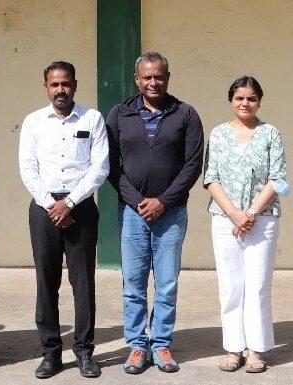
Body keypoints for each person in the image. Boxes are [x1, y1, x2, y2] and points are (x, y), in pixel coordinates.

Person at [105, 51, 204, 374]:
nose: (153, 82)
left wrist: (163, 200)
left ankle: (160, 343)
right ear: (137, 79)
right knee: (133, 283)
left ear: (168, 77)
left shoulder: (185, 114)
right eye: (147, 77)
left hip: (171, 213)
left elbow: (192, 165)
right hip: (132, 213)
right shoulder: (120, 114)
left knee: (166, 283)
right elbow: (110, 166)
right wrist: (137, 201)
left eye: (158, 76)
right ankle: (136, 345)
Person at [18, 61, 109, 379]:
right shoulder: (33, 122)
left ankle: (84, 352)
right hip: (44, 210)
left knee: (83, 283)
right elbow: (28, 167)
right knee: (47, 282)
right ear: (46, 87)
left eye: (66, 84)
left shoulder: (92, 118)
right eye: (54, 84)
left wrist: (69, 203)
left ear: (75, 85)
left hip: (81, 208)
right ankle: (50, 353)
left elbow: (99, 168)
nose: (61, 90)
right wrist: (51, 205)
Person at [203, 76, 289, 374]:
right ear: (231, 100)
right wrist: (234, 215)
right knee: (230, 286)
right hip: (224, 218)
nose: (245, 103)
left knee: (257, 286)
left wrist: (250, 213)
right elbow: (211, 178)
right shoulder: (218, 134)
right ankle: (232, 348)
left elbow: (277, 179)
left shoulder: (270, 133)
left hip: (262, 221)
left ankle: (255, 350)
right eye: (240, 98)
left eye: (251, 98)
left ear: (259, 101)